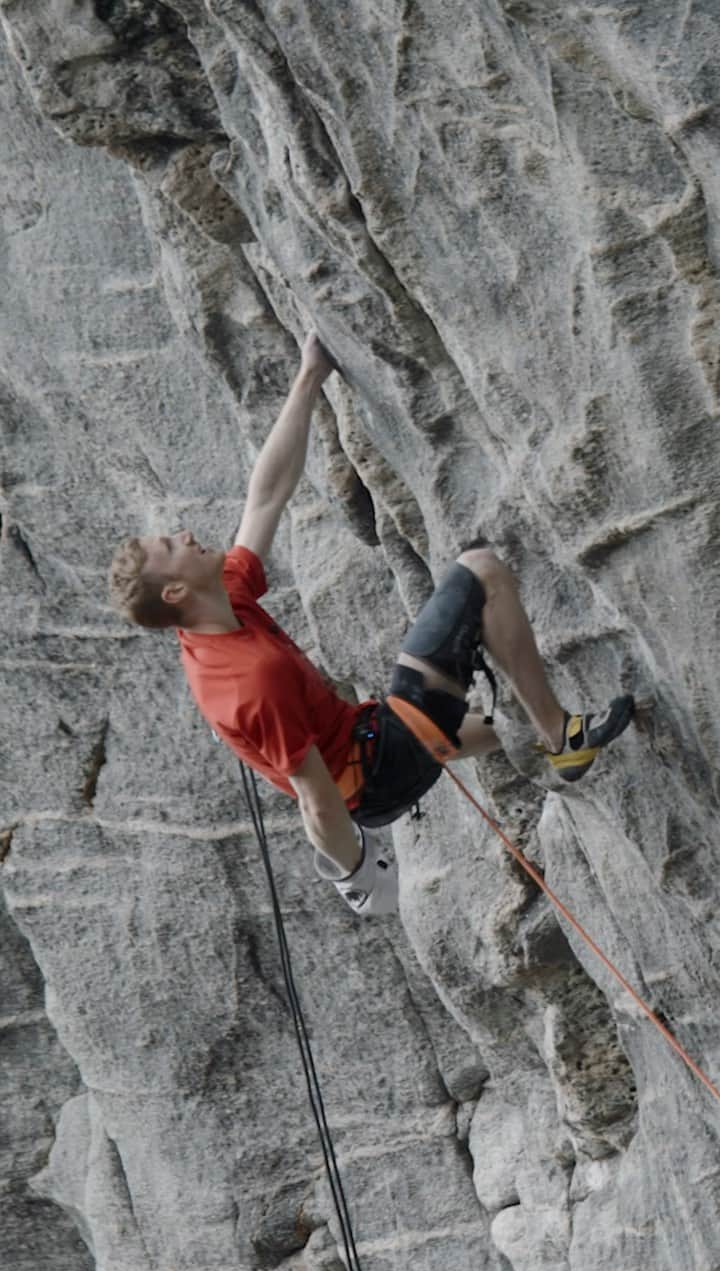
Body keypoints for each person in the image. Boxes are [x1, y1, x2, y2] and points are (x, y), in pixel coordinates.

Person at [109, 333, 634, 916]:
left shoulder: (221, 598)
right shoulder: (249, 681)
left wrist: (308, 377)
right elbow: (315, 799)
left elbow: (265, 498)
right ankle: (564, 738)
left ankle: (538, 732)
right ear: (176, 590)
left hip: (370, 743)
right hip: (379, 765)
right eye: (170, 545)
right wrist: (354, 876)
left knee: (499, 719)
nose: (184, 534)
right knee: (480, 571)